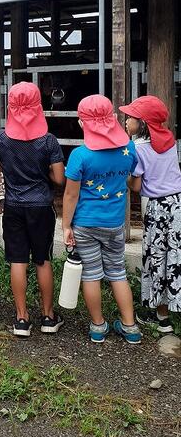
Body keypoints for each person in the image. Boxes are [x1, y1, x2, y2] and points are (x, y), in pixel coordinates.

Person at [0, 82, 65, 338]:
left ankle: (22, 319)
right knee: (42, 260)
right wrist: (42, 171)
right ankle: (48, 317)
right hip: (41, 206)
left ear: (10, 106)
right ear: (38, 107)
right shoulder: (48, 140)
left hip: (14, 205)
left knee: (18, 261)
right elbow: (59, 179)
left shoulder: (0, 138)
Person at [62, 94, 141, 344]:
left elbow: (71, 195)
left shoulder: (80, 155)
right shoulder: (129, 149)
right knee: (118, 272)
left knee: (91, 275)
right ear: (113, 118)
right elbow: (133, 179)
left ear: (82, 123)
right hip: (115, 223)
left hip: (85, 223)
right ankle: (130, 326)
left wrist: (66, 226)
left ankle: (98, 326)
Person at [120, 95, 181, 334]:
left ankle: (162, 319)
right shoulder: (170, 140)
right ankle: (169, 309)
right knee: (174, 257)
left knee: (157, 258)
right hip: (177, 204)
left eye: (131, 118)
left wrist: (124, 178)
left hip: (158, 208)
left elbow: (136, 186)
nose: (126, 121)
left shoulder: (138, 148)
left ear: (142, 123)